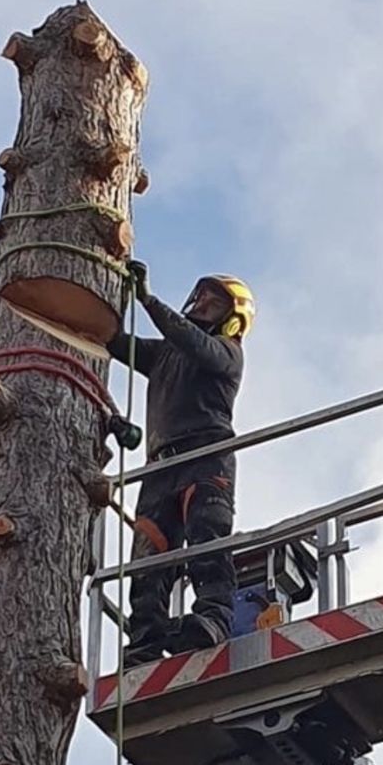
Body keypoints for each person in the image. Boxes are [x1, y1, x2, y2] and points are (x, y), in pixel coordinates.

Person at [107, 261, 255, 665]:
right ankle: (145, 640)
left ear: (233, 317)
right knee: (148, 562)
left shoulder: (226, 352)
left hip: (206, 458)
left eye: (216, 299)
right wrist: (110, 301)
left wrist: (149, 301)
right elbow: (116, 342)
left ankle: (212, 618)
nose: (204, 301)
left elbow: (190, 340)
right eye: (203, 294)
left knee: (206, 542)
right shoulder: (166, 354)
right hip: (160, 468)